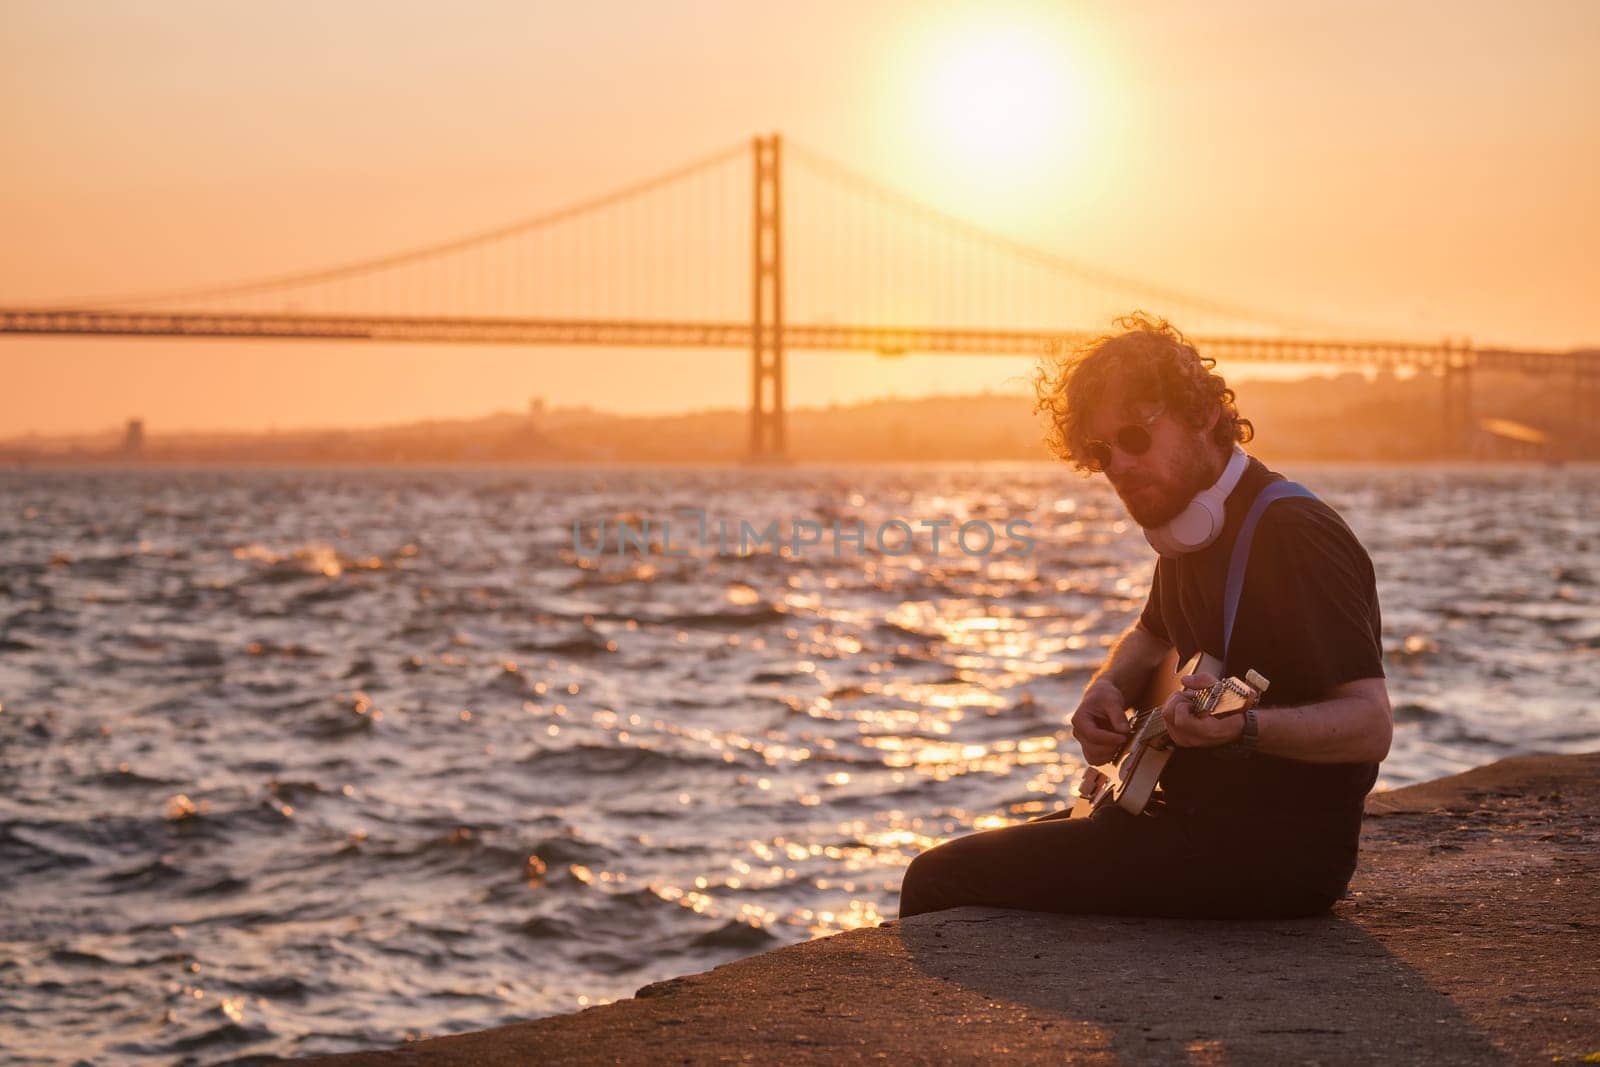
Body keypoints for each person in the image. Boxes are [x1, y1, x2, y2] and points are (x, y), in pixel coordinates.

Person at [896, 312, 1392, 920]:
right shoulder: (1189, 528)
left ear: (1205, 414)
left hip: (1269, 858)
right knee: (982, 866)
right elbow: (1151, 634)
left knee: (936, 881)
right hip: (1187, 825)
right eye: (1102, 453)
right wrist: (1107, 687)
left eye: (1134, 437)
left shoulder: (1294, 534)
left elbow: (1371, 725)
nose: (1120, 467)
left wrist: (1244, 727)